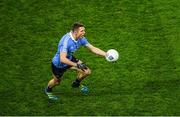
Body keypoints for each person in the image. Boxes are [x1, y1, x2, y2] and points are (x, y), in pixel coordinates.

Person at [44, 22, 107, 100]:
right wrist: (76, 65)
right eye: (82, 31)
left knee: (87, 71)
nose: (84, 33)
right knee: (57, 82)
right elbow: (62, 59)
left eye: (84, 30)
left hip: (70, 59)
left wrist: (106, 54)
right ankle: (48, 90)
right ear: (75, 32)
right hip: (58, 64)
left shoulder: (81, 38)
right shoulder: (66, 42)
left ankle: (76, 83)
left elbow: (92, 48)